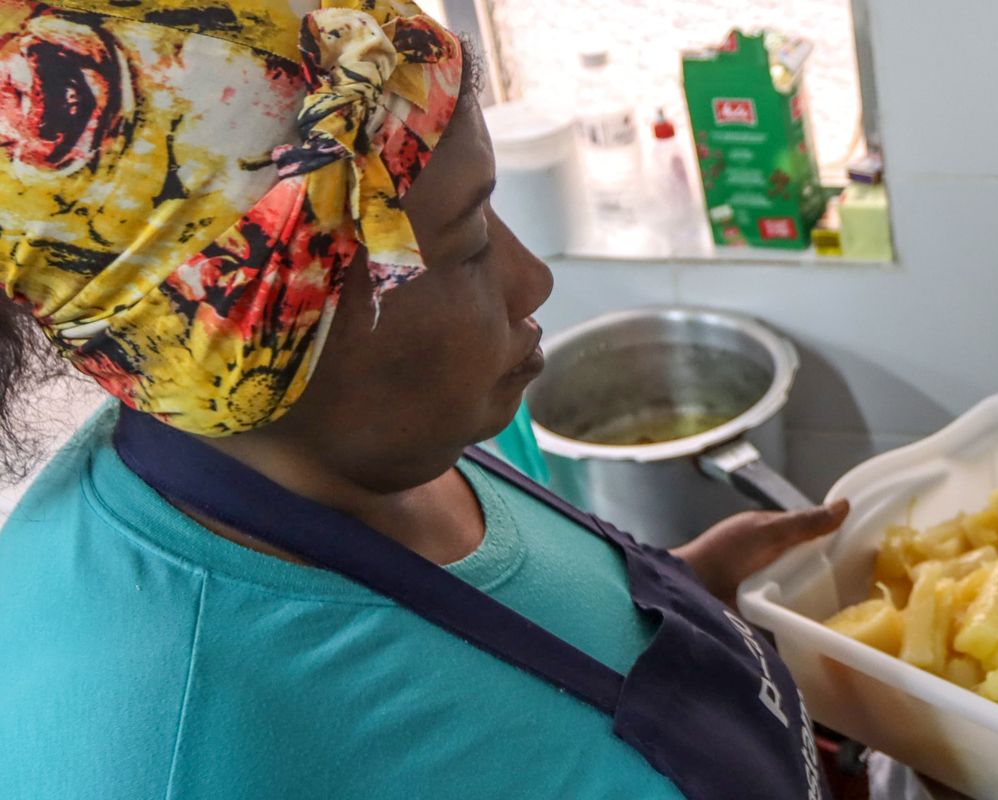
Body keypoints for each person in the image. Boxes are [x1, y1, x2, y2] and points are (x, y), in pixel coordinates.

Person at [0, 2, 848, 798]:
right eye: (472, 242)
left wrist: (692, 597)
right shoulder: (156, 749)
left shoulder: (434, 429)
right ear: (271, 335)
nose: (534, 280)